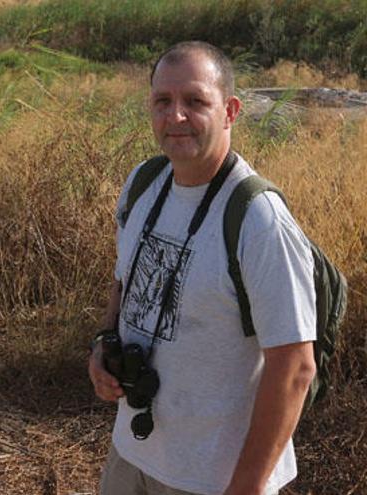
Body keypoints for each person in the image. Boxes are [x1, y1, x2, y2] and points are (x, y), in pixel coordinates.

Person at [87, 41, 317, 495]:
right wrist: (103, 343)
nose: (175, 117)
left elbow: (295, 367)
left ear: (230, 110)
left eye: (195, 101)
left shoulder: (258, 219)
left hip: (213, 478)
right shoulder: (144, 184)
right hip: (132, 453)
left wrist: (246, 487)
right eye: (162, 101)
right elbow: (123, 279)